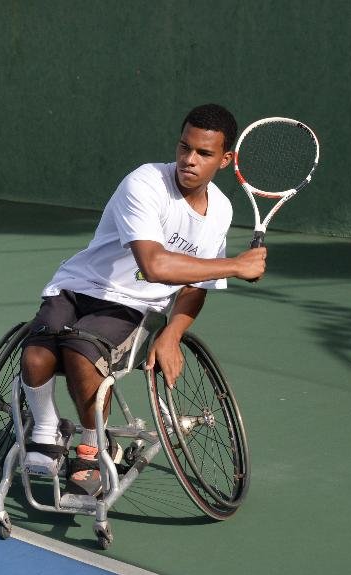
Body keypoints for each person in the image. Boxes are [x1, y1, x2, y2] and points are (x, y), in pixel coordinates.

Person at [20, 103, 267, 497]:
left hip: (133, 306)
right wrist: (235, 265)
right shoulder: (145, 182)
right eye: (184, 147)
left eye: (203, 154)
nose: (189, 159)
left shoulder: (220, 211)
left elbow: (195, 284)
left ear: (225, 160)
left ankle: (93, 446)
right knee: (35, 354)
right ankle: (48, 430)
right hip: (79, 284)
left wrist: (172, 334)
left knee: (82, 356)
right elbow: (153, 264)